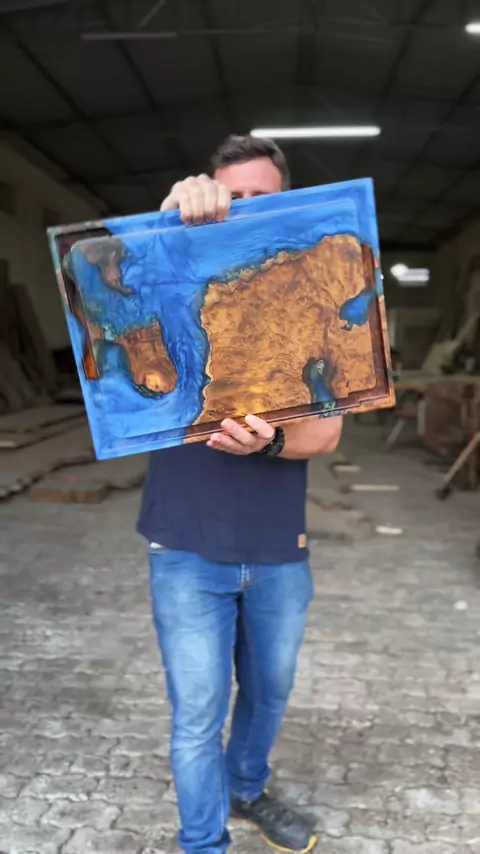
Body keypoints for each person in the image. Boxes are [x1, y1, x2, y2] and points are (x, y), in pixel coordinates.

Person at [138, 135, 343, 854]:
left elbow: (328, 433)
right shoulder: (172, 285)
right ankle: (204, 844)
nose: (249, 208)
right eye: (235, 196)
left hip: (277, 547)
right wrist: (167, 219)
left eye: (265, 197)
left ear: (288, 204)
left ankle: (247, 788)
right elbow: (115, 300)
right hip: (185, 547)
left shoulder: (314, 308)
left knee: (268, 693)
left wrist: (274, 441)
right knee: (197, 715)